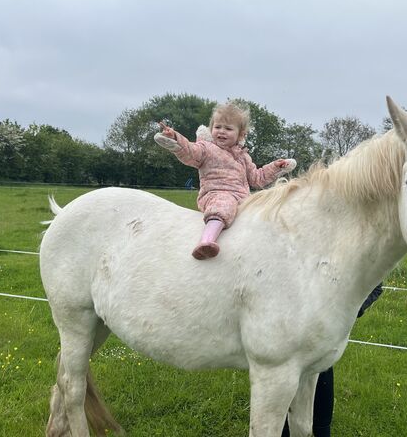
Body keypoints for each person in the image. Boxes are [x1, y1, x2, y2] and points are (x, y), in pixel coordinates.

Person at [154, 101, 296, 260]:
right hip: (215, 195)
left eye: (228, 128)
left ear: (241, 134)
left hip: (242, 199)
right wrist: (176, 140)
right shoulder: (206, 148)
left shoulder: (243, 157)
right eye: (217, 127)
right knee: (225, 204)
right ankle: (206, 242)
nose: (221, 132)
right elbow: (191, 152)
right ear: (211, 128)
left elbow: (257, 178)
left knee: (263, 210)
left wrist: (276, 167)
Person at [281, 283, 384, 437]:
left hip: (323, 348)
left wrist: (346, 312)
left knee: (320, 415)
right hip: (288, 345)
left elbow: (376, 287)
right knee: (281, 407)